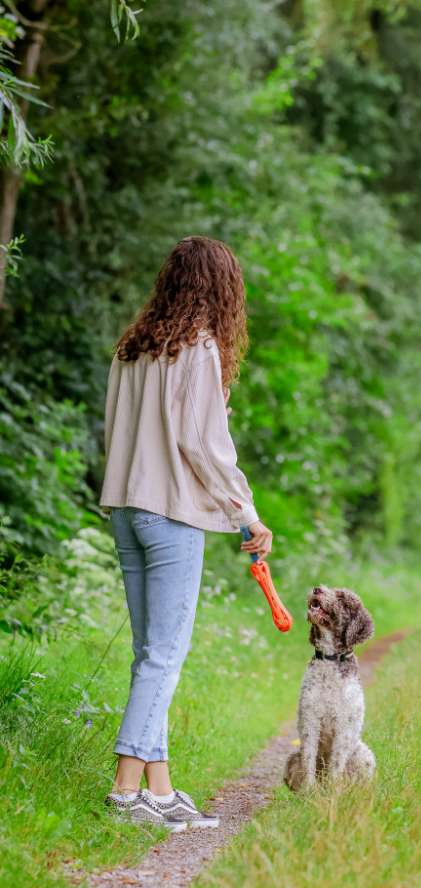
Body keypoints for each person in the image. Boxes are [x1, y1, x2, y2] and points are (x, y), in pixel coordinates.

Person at [99, 235, 272, 831]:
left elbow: (117, 430)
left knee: (150, 655)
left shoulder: (132, 347)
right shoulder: (197, 348)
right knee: (164, 656)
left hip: (127, 509)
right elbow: (203, 444)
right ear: (221, 288)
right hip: (170, 513)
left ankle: (161, 789)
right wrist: (246, 513)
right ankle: (125, 793)